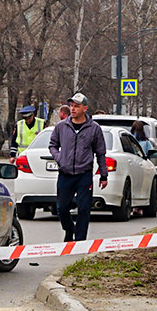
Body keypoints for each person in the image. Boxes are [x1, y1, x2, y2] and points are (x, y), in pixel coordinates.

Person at [48, 92, 108, 242]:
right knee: (61, 208)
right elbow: (53, 145)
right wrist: (59, 157)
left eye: (77, 106)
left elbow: (100, 153)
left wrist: (104, 174)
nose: (73, 109)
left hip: (84, 174)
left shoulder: (94, 128)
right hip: (65, 173)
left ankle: (80, 240)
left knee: (83, 208)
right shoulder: (62, 126)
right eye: (71, 106)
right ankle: (69, 229)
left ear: (85, 108)